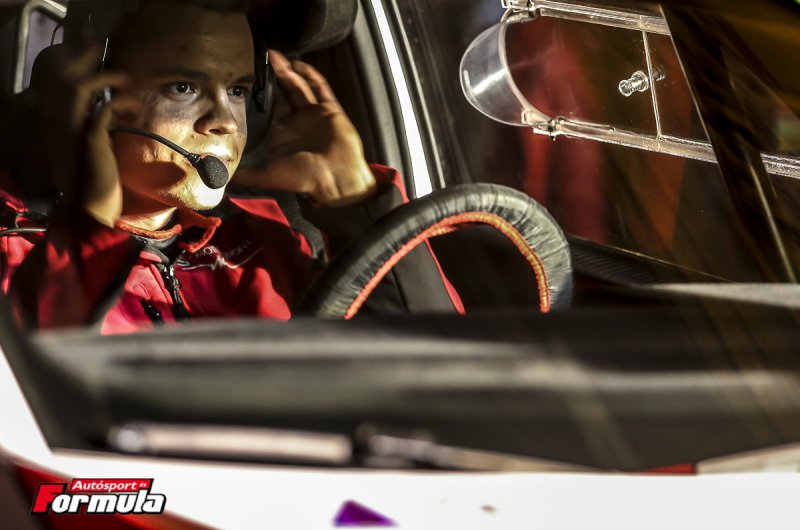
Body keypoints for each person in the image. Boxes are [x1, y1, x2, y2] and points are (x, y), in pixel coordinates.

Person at [0, 0, 461, 333]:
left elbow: (441, 372)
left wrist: (358, 201)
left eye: (238, 91)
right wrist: (90, 223)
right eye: (183, 87)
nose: (225, 121)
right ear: (95, 96)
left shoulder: (269, 246)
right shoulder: (13, 250)